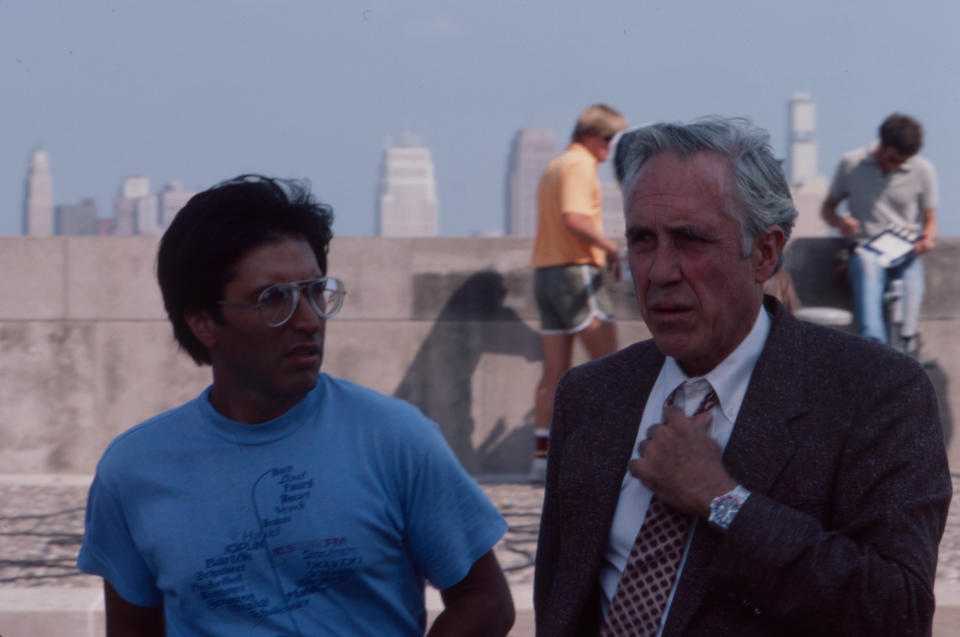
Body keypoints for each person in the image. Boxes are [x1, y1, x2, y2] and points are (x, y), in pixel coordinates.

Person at [534, 118, 951, 636]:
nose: (660, 271)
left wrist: (724, 501)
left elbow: (898, 612)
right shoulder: (591, 396)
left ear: (764, 253)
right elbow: (559, 598)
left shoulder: (874, 393)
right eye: (642, 240)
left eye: (689, 240)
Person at [78, 175, 515, 636]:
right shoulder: (133, 471)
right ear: (204, 321)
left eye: (314, 291)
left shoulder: (395, 438)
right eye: (274, 299)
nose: (309, 320)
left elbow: (486, 600)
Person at [530, 103, 628, 480]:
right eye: (608, 139)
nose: (610, 148)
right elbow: (573, 218)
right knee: (615, 371)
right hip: (576, 274)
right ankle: (618, 455)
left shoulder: (554, 166)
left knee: (553, 374)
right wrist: (611, 247)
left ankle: (542, 461)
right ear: (590, 136)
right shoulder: (579, 165)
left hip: (545, 275)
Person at [821, 113, 938, 353]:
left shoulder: (923, 170)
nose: (897, 165)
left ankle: (907, 345)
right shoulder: (852, 163)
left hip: (905, 251)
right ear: (883, 145)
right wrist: (840, 221)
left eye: (903, 161)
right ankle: (875, 350)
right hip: (864, 250)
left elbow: (930, 221)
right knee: (867, 264)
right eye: (893, 159)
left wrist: (927, 239)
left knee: (911, 283)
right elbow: (827, 208)